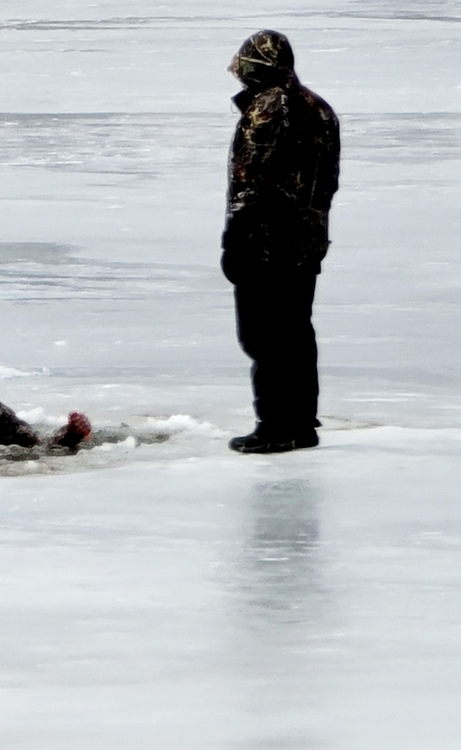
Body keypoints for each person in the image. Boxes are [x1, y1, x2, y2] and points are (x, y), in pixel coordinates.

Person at [220, 30, 340, 454]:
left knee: (264, 335)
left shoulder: (268, 107)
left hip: (267, 243)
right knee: (295, 331)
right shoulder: (320, 109)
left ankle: (275, 425)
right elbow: (328, 182)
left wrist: (236, 237)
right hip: (307, 243)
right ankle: (301, 422)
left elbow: (250, 179)